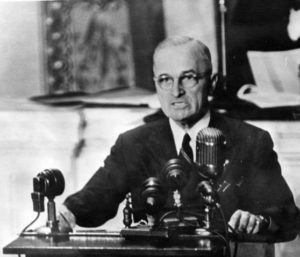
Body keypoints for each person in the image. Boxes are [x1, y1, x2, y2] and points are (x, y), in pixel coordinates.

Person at [58, 36, 298, 236]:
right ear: (156, 84)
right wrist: (67, 214)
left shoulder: (250, 141)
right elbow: (98, 197)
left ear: (211, 82)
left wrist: (258, 220)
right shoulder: (133, 143)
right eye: (165, 80)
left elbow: (287, 216)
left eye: (189, 77)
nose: (176, 91)